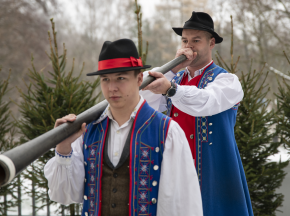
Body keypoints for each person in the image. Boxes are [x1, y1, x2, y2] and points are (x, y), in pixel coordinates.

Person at [44, 39, 203, 216]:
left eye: (121, 78)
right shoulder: (87, 131)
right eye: (105, 79)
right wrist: (63, 148)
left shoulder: (166, 132)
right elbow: (64, 195)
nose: (112, 88)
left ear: (139, 79)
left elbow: (183, 205)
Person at [141, 12, 254, 216]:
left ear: (211, 43)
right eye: (185, 40)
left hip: (214, 174)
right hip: (177, 172)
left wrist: (171, 89)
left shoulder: (227, 81)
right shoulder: (174, 78)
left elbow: (205, 102)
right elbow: (141, 100)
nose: (189, 46)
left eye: (196, 40)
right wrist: (173, 70)